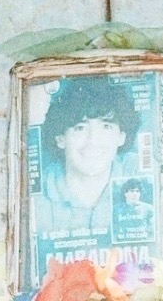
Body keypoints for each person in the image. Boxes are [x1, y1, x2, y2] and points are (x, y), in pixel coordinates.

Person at [32, 76, 141, 238]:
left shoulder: (139, 171)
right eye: (80, 128)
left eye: (106, 126)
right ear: (60, 139)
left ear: (121, 137)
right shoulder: (37, 195)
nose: (93, 141)